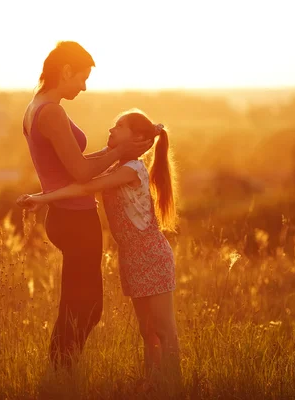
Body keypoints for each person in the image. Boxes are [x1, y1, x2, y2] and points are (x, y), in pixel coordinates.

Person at [18, 109, 181, 386]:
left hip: (152, 255)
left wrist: (42, 198)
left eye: (119, 126)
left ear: (137, 137)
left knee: (164, 330)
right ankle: (153, 384)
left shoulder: (132, 169)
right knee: (147, 330)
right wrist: (45, 194)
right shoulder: (117, 167)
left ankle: (174, 386)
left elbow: (84, 188)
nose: (111, 129)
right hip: (131, 257)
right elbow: (82, 168)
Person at [22, 41, 152, 369]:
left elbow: (75, 163)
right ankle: (62, 367)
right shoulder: (50, 111)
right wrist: (120, 154)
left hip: (66, 215)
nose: (84, 86)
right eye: (82, 77)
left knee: (76, 304)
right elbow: (80, 172)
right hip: (75, 219)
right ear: (65, 71)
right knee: (88, 307)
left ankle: (61, 370)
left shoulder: (36, 106)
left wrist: (121, 154)